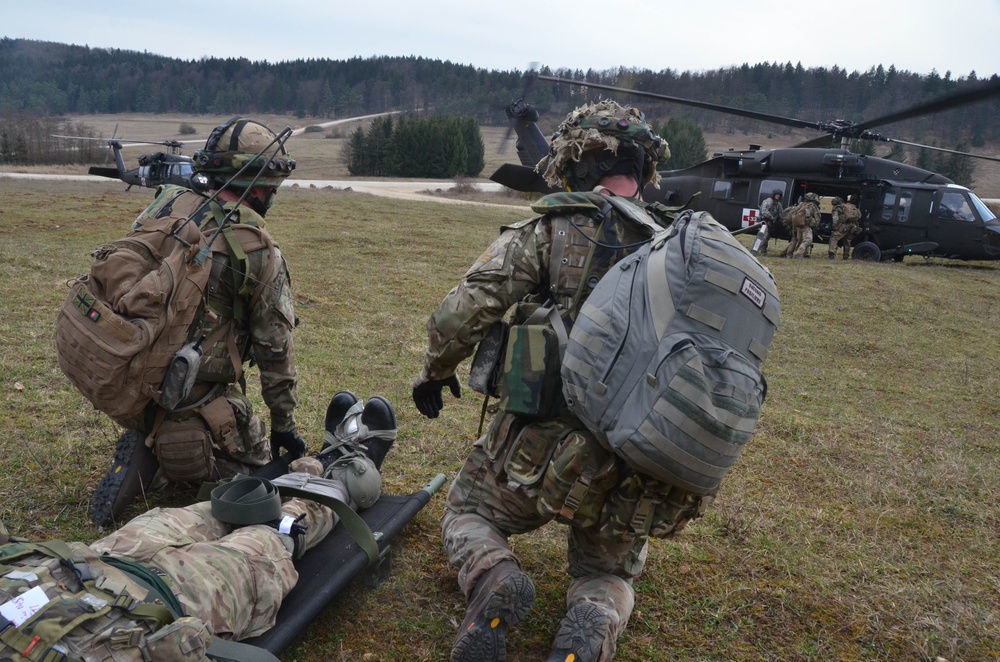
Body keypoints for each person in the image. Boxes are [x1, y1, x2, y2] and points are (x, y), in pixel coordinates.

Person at [412, 101, 710, 662]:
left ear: (573, 166)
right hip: (633, 457)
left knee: (467, 513)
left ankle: (494, 575)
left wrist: (434, 371)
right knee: (607, 570)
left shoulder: (551, 229)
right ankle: (594, 621)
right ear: (645, 171)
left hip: (533, 445)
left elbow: (463, 311)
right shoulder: (682, 248)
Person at [0, 392, 397, 660]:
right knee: (271, 536)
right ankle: (344, 479)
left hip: (85, 564)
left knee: (228, 508)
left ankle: (311, 465)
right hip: (163, 609)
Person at [92, 117, 305, 528]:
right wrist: (285, 428)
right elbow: (275, 352)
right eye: (271, 191)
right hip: (191, 394)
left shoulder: (166, 204)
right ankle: (175, 449)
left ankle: (150, 429)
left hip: (130, 372)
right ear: (260, 188)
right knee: (256, 472)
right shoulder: (258, 250)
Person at [782, 192, 821, 258]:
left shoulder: (801, 204)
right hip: (805, 226)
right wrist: (815, 225)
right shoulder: (813, 206)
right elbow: (817, 218)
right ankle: (798, 253)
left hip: (797, 226)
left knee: (797, 240)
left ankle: (789, 254)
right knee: (808, 240)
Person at [751, 188, 783, 256]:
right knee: (764, 237)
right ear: (774, 194)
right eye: (777, 194)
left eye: (779, 195)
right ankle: (758, 251)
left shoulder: (778, 204)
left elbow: (781, 212)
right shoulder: (769, 201)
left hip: (771, 223)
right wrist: (772, 217)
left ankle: (762, 251)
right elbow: (764, 211)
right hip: (765, 222)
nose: (778, 196)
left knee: (767, 237)